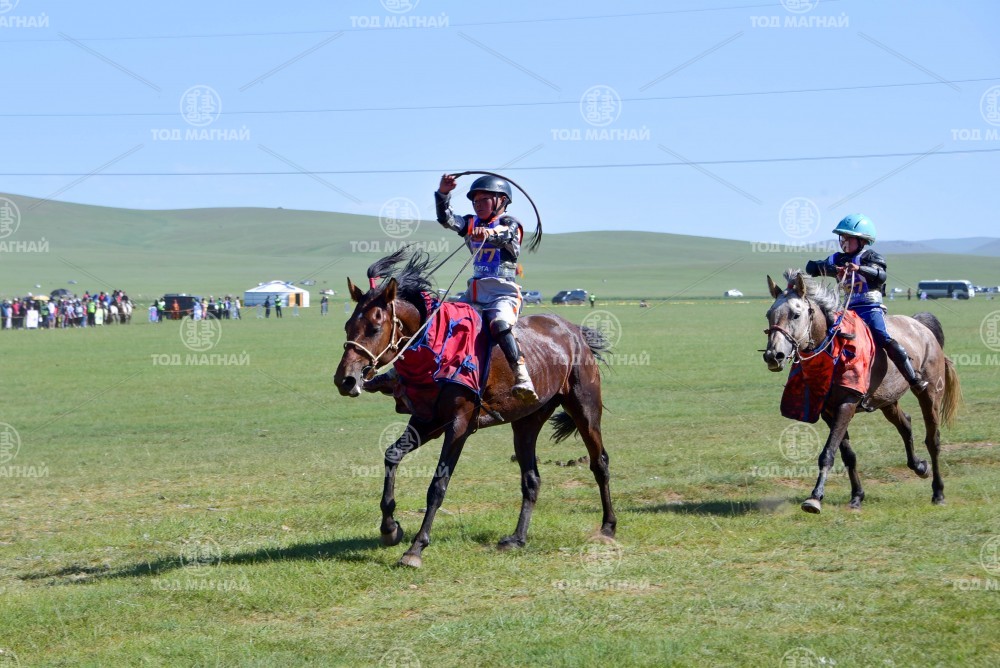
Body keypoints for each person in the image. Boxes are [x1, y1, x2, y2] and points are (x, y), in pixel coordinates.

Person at [427, 174, 538, 402]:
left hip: (503, 293)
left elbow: (505, 235)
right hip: (475, 292)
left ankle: (522, 376)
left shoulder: (511, 223)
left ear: (501, 200)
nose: (478, 205)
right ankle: (406, 371)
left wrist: (488, 232)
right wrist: (443, 193)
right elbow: (446, 219)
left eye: (484, 200)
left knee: (500, 324)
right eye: (475, 201)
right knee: (441, 321)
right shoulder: (471, 223)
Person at [806, 214, 928, 393]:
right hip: (847, 311)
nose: (843, 242)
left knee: (882, 337)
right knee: (828, 336)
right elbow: (810, 267)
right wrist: (834, 269)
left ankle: (913, 378)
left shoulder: (871, 256)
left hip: (870, 308)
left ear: (862, 240)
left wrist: (859, 269)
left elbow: (881, 276)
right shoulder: (837, 258)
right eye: (842, 237)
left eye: (848, 238)